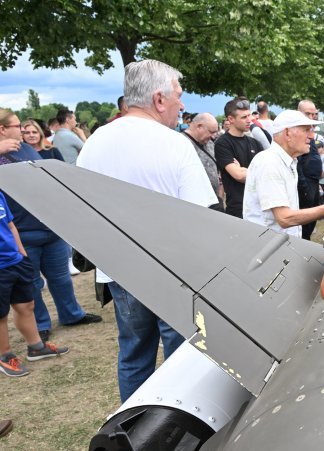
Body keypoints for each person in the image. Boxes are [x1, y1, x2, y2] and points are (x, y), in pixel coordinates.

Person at [76, 59, 218, 402]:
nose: (181, 105)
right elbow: (203, 216)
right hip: (172, 269)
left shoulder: (95, 141)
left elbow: (82, 211)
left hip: (120, 269)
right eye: (178, 96)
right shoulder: (174, 144)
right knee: (181, 356)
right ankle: (174, 426)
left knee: (133, 352)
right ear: (158, 99)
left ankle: (133, 428)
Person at [0, 110, 102, 343]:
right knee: (33, 283)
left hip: (48, 225)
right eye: (18, 126)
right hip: (21, 230)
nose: (23, 130)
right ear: (3, 129)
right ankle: (41, 325)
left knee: (61, 277)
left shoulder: (26, 149)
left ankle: (71, 314)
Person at [242, 110, 324, 236]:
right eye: (306, 130)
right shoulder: (269, 162)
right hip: (269, 248)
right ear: (287, 133)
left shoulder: (288, 161)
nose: (312, 136)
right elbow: (284, 218)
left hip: (279, 245)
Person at [214, 98, 264, 218]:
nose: (249, 120)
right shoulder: (223, 143)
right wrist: (256, 173)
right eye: (244, 117)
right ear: (230, 119)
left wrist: (244, 170)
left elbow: (267, 171)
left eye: (249, 115)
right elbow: (239, 176)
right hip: (238, 208)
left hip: (260, 205)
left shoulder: (255, 143)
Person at [183, 113, 223, 208]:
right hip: (195, 203)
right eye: (211, 132)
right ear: (199, 126)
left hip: (214, 200)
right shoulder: (182, 143)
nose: (213, 136)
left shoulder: (209, 143)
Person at [296, 100, 324, 239]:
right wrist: (304, 187)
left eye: (314, 114)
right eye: (308, 114)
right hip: (305, 185)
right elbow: (297, 163)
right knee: (304, 227)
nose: (311, 117)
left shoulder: (309, 131)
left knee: (311, 222)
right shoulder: (298, 133)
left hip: (313, 182)